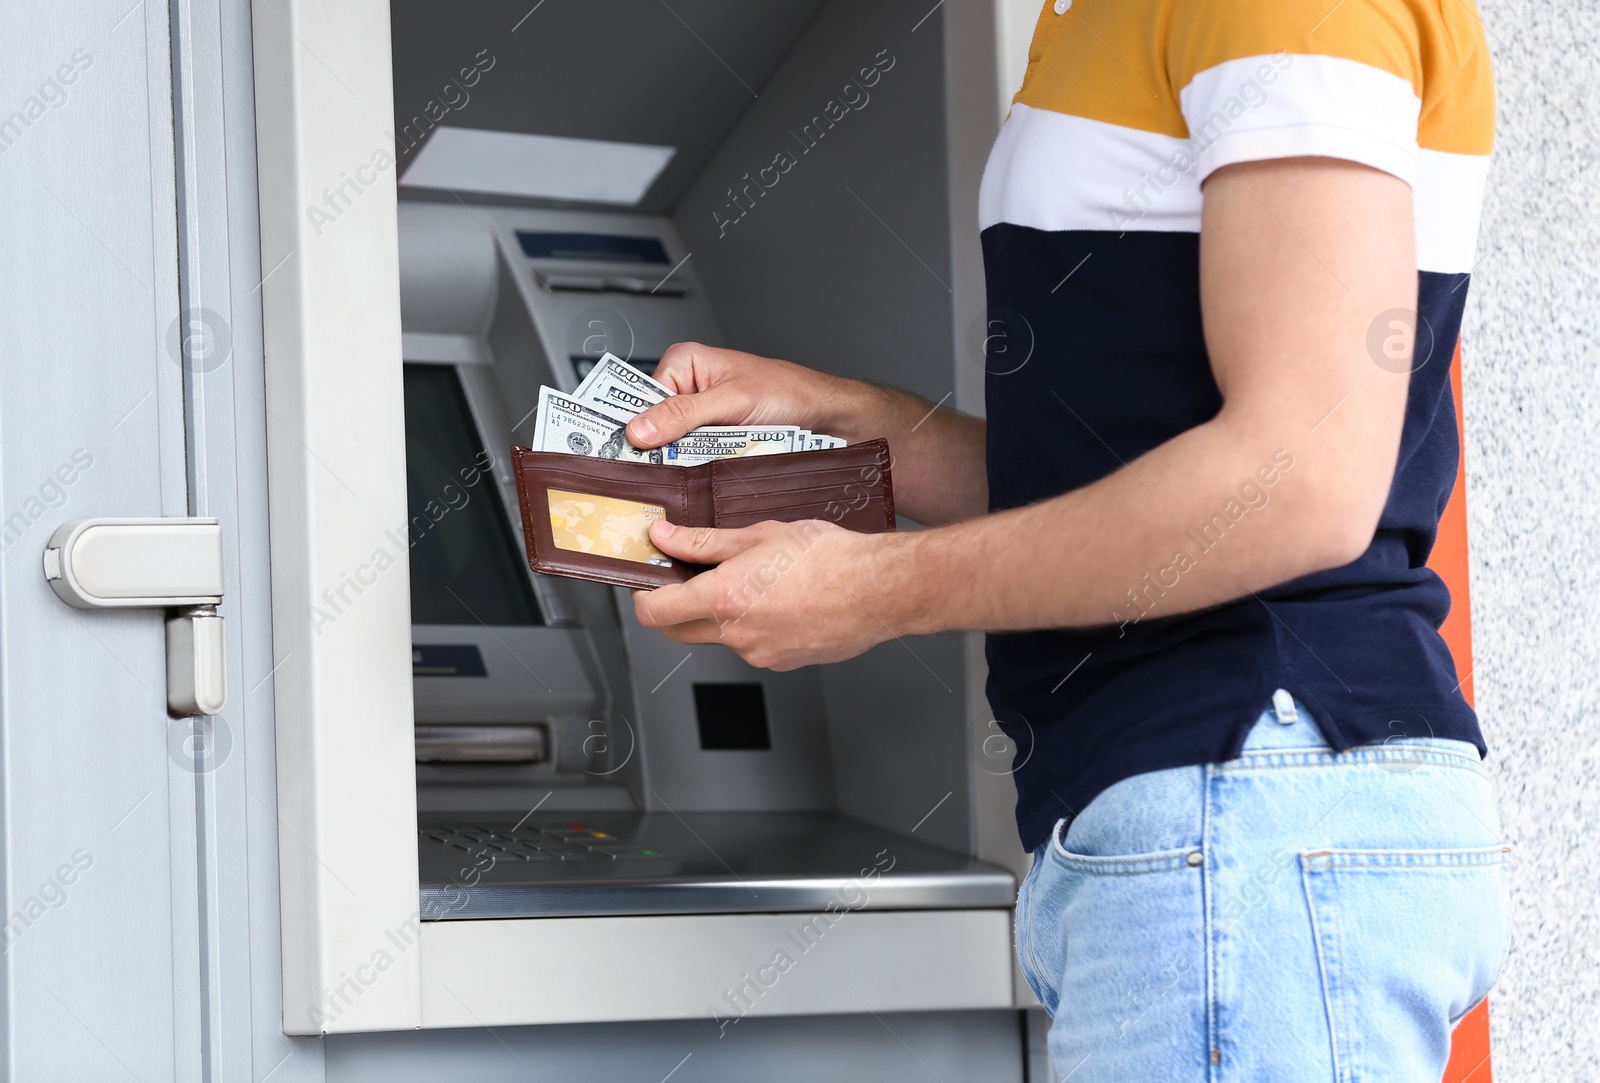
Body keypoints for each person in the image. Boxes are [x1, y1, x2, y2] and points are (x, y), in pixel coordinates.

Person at [624, 0, 1505, 1077]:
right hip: (1187, 816)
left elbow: (1297, 482)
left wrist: (874, 591)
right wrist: (857, 428)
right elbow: (1123, 478)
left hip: (1246, 785)